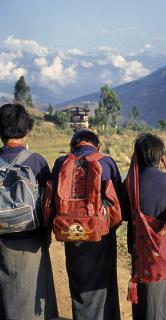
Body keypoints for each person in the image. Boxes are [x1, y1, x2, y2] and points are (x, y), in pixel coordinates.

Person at [50, 130, 127, 320]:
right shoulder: (106, 162)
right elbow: (119, 202)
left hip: (71, 232)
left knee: (78, 279)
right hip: (101, 233)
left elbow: (51, 200)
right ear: (97, 146)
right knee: (104, 280)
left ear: (73, 146)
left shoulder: (61, 163)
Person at [0, 103, 58, 320]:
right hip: (30, 240)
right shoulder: (36, 161)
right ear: (27, 131)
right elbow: (48, 204)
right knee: (31, 291)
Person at [127, 133, 166, 320]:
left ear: (137, 155)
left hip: (142, 255)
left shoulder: (132, 184)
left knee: (147, 300)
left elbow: (124, 214)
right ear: (159, 156)